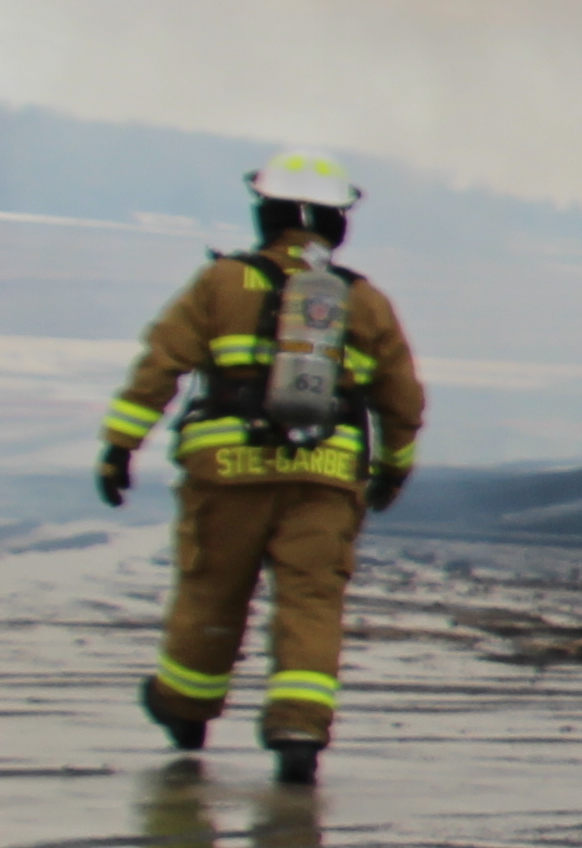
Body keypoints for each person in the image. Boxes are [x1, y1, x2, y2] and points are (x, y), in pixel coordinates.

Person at [94, 148, 429, 788]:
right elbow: (402, 401)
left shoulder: (221, 284)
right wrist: (392, 470)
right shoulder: (365, 303)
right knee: (311, 601)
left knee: (211, 591)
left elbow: (160, 364)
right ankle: (299, 730)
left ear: (265, 212)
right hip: (325, 482)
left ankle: (186, 708)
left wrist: (119, 447)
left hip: (226, 474)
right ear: (337, 223)